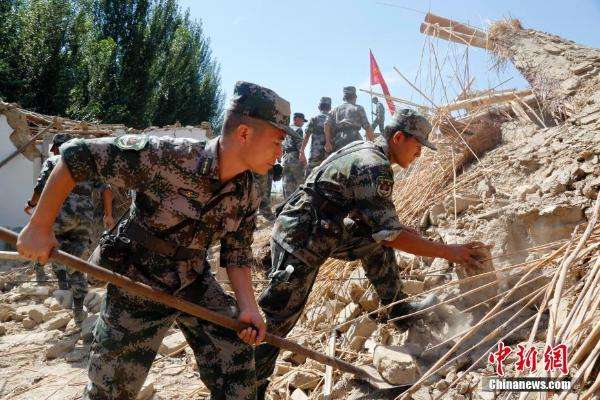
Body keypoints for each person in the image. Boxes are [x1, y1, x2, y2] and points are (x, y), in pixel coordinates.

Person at [16, 81, 291, 400]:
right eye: (277, 140)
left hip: (192, 279)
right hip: (137, 280)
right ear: (244, 134)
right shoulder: (167, 157)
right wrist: (39, 225)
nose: (280, 152)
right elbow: (77, 156)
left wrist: (248, 307)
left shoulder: (250, 188)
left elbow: (237, 253)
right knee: (111, 391)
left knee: (238, 362)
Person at [255, 109, 488, 397]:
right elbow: (391, 235)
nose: (419, 154)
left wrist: (403, 232)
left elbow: (378, 224)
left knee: (375, 239)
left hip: (323, 229)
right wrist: (449, 252)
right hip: (300, 237)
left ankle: (399, 310)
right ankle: (249, 383)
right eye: (417, 146)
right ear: (399, 138)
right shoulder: (374, 166)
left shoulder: (369, 152)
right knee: (278, 319)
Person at [24, 133, 114, 323]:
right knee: (76, 261)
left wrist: (32, 205)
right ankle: (79, 311)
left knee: (51, 248)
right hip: (83, 219)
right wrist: (108, 215)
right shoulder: (89, 165)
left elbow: (40, 187)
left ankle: (56, 280)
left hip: (60, 216)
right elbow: (106, 188)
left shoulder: (54, 160)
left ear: (57, 148)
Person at [324, 86, 374, 152]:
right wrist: (372, 144)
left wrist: (328, 142)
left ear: (344, 98)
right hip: (355, 140)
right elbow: (367, 127)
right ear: (355, 97)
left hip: (338, 142)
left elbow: (326, 125)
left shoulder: (334, 110)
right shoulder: (358, 108)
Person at [299, 97, 332, 177]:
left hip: (315, 155)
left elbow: (306, 136)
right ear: (330, 108)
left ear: (319, 107)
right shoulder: (333, 119)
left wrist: (302, 151)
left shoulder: (314, 119)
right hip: (330, 155)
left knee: (310, 179)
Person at [281, 112, 307, 199]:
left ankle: (286, 206)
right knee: (300, 183)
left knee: (287, 184)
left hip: (285, 158)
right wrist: (303, 157)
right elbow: (300, 145)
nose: (303, 123)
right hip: (295, 158)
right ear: (298, 119)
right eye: (302, 121)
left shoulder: (285, 129)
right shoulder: (298, 129)